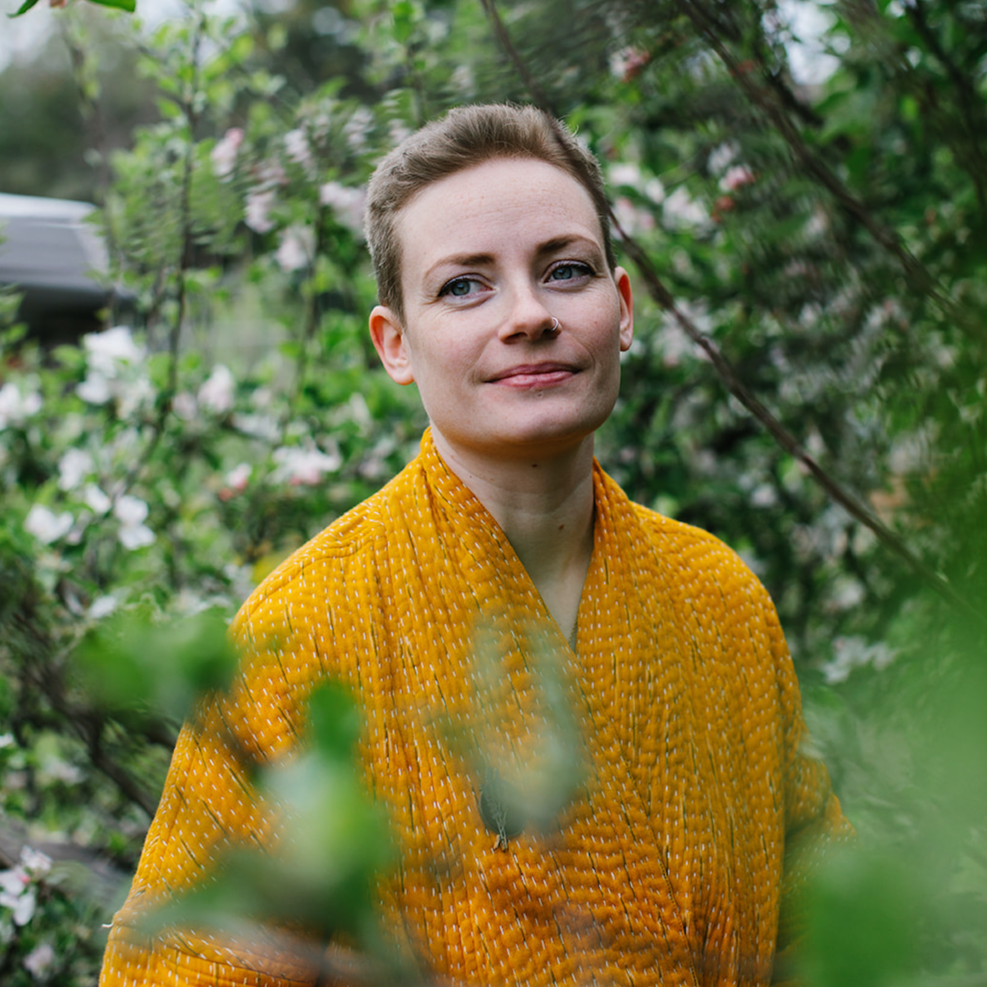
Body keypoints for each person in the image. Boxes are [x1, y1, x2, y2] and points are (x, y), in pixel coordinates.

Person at [98, 103, 852, 987]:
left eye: (564, 270)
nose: (528, 314)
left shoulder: (719, 599)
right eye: (465, 285)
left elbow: (825, 936)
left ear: (621, 307)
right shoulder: (301, 633)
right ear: (395, 345)